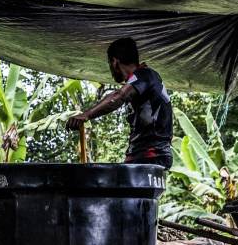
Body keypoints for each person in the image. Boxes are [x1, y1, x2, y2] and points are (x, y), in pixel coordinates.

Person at [66, 37, 173, 168]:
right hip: (142, 155)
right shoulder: (138, 81)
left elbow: (118, 96)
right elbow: (120, 95)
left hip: (151, 154)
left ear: (115, 62)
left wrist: (86, 115)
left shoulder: (144, 74)